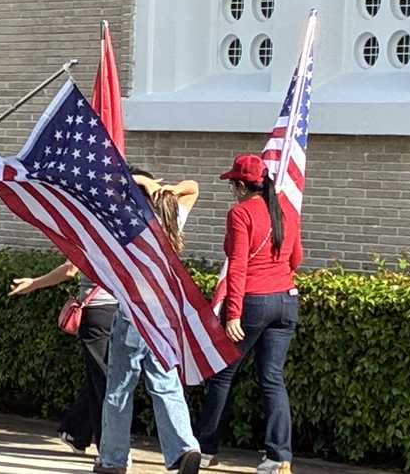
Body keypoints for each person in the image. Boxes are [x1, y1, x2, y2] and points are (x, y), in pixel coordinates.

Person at [196, 154, 303, 474]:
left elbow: (238, 266)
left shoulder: (240, 213)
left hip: (253, 302)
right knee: (272, 378)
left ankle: (206, 448)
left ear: (242, 185)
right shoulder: (287, 209)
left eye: (233, 183)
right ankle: (278, 457)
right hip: (286, 299)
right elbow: (296, 258)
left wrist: (232, 314)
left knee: (222, 374)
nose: (232, 188)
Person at [95, 168, 202, 474]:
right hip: (165, 317)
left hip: (134, 315)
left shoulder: (125, 224)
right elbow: (192, 186)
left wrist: (141, 184)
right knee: (166, 385)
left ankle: (113, 459)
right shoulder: (170, 220)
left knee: (119, 389)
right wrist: (159, 187)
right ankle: (185, 447)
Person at [9, 258, 116, 455]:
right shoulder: (135, 231)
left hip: (98, 312)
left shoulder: (90, 231)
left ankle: (82, 434)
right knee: (109, 380)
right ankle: (104, 447)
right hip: (128, 313)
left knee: (103, 380)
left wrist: (34, 283)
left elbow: (69, 270)